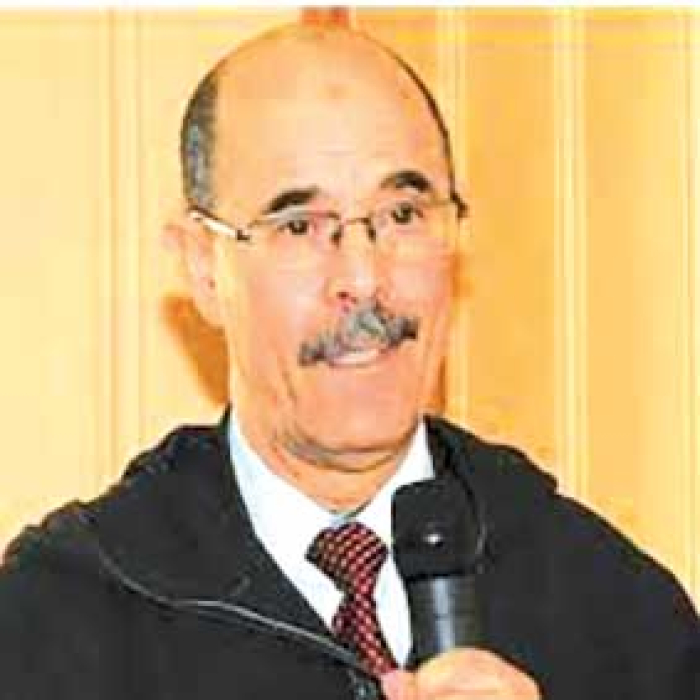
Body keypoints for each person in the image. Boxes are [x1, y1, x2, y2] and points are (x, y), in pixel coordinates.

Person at [0, 22, 697, 700]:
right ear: (204, 267)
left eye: (403, 214)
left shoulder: (610, 608)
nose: (364, 279)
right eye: (300, 226)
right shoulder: (63, 618)